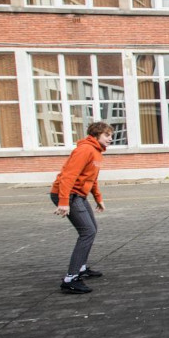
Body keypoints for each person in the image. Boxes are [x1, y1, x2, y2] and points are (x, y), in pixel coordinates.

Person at [50, 122, 112, 294]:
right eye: (107, 135)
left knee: (92, 229)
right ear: (96, 135)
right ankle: (71, 279)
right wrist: (63, 202)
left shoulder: (97, 152)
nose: (110, 139)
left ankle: (81, 268)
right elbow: (68, 176)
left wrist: (98, 199)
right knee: (87, 232)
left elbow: (92, 179)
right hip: (68, 194)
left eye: (111, 135)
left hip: (78, 195)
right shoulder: (84, 150)